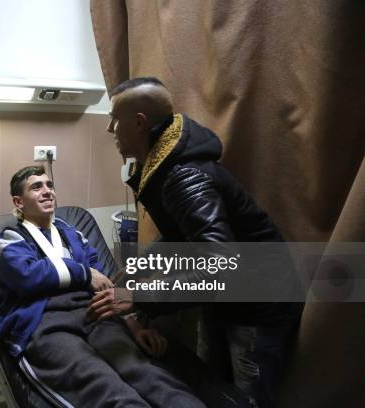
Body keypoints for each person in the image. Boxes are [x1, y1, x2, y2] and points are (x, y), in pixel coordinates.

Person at [88, 77, 302, 407]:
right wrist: (139, 268)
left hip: (260, 304)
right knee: (208, 386)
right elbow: (180, 237)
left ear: (140, 123)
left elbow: (221, 268)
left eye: (115, 118)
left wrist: (138, 296)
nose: (110, 129)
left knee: (245, 400)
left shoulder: (184, 178)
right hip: (227, 299)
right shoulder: (164, 168)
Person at [0, 165, 205, 408]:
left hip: (94, 313)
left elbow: (103, 285)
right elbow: (27, 275)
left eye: (50, 185)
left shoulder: (74, 235)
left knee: (147, 373)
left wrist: (132, 324)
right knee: (105, 386)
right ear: (18, 202)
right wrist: (84, 273)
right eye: (36, 187)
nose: (47, 191)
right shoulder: (11, 238)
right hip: (46, 323)